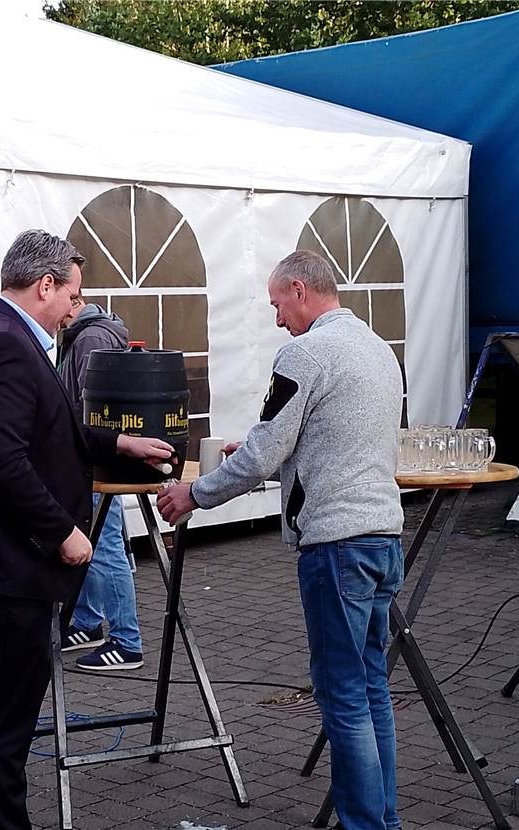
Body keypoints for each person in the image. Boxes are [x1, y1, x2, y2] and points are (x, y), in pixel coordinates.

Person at [0, 230, 173, 830]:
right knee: (0, 729)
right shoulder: (5, 344)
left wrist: (115, 442)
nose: (75, 309)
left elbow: (36, 430)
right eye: (72, 296)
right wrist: (62, 532)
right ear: (45, 285)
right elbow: (1, 457)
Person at [158, 250, 405, 830]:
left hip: (335, 544)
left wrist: (195, 495)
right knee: (371, 689)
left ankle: (368, 825)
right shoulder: (377, 349)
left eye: (276, 304)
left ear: (299, 289)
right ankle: (382, 819)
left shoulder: (305, 352)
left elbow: (269, 449)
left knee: (343, 697)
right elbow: (325, 441)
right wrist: (256, 455)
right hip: (383, 536)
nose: (276, 319)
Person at [57, 299, 144, 670]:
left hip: (93, 462)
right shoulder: (91, 333)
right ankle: (89, 623)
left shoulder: (90, 337)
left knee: (105, 548)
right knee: (96, 543)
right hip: (98, 460)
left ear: (74, 301)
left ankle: (127, 642)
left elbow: (89, 411)